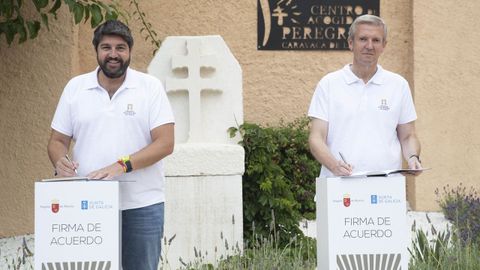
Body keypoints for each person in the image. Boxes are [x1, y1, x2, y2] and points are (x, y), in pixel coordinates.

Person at [47, 20, 174, 270]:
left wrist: (122, 165)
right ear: (96, 50)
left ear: (129, 52)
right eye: (106, 47)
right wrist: (59, 161)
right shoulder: (75, 88)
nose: (113, 54)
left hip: (141, 206)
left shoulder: (149, 87)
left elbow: (165, 143)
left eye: (121, 48)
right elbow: (57, 141)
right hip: (86, 204)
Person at [308, 14, 422, 177]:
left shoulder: (399, 85)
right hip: (339, 186)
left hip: (385, 189)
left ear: (384, 45)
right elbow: (316, 138)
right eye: (363, 39)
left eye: (376, 40)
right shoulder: (329, 84)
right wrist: (334, 166)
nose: (369, 46)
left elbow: (408, 136)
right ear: (350, 43)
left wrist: (412, 157)